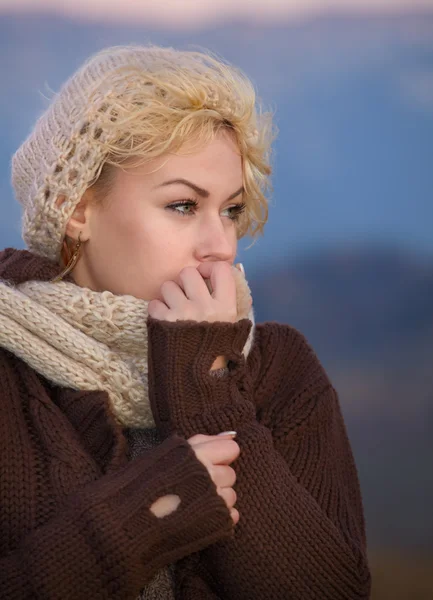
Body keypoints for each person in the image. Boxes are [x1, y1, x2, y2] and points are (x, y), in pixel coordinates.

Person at [0, 44, 371, 599]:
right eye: (182, 205)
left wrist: (206, 389)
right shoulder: (9, 374)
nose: (220, 246)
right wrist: (141, 517)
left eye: (231, 210)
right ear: (75, 207)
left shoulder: (281, 372)